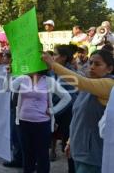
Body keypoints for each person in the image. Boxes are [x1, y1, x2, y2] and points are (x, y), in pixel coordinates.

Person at [42, 50, 114, 173]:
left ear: (110, 69)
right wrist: (71, 141)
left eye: (97, 64)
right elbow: (77, 116)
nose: (91, 67)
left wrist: (53, 64)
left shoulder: (109, 85)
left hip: (93, 156)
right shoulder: (88, 86)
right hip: (79, 150)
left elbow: (80, 81)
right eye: (90, 63)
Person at [11, 70, 72, 173]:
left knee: (42, 155)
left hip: (42, 124)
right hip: (23, 122)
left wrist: (53, 110)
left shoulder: (48, 81)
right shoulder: (22, 78)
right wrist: (10, 73)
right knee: (27, 154)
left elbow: (67, 97)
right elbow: (6, 88)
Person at [50, 44, 79, 173]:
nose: (53, 57)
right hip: (56, 112)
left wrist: (54, 113)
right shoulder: (52, 71)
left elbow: (70, 98)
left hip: (68, 114)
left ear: (63, 57)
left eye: (55, 54)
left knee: (69, 149)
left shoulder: (70, 73)